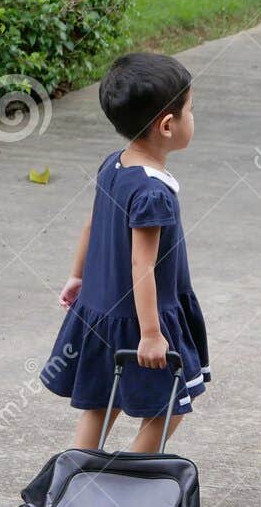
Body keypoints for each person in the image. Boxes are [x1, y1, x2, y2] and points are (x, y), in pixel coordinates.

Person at [42, 53, 211, 453]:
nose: (193, 117)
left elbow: (91, 224)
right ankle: (126, 481)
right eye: (191, 110)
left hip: (102, 308)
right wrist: (152, 334)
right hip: (140, 320)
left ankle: (77, 481)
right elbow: (143, 264)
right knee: (169, 408)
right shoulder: (154, 192)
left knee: (101, 405)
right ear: (167, 125)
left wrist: (78, 275)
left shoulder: (113, 165)